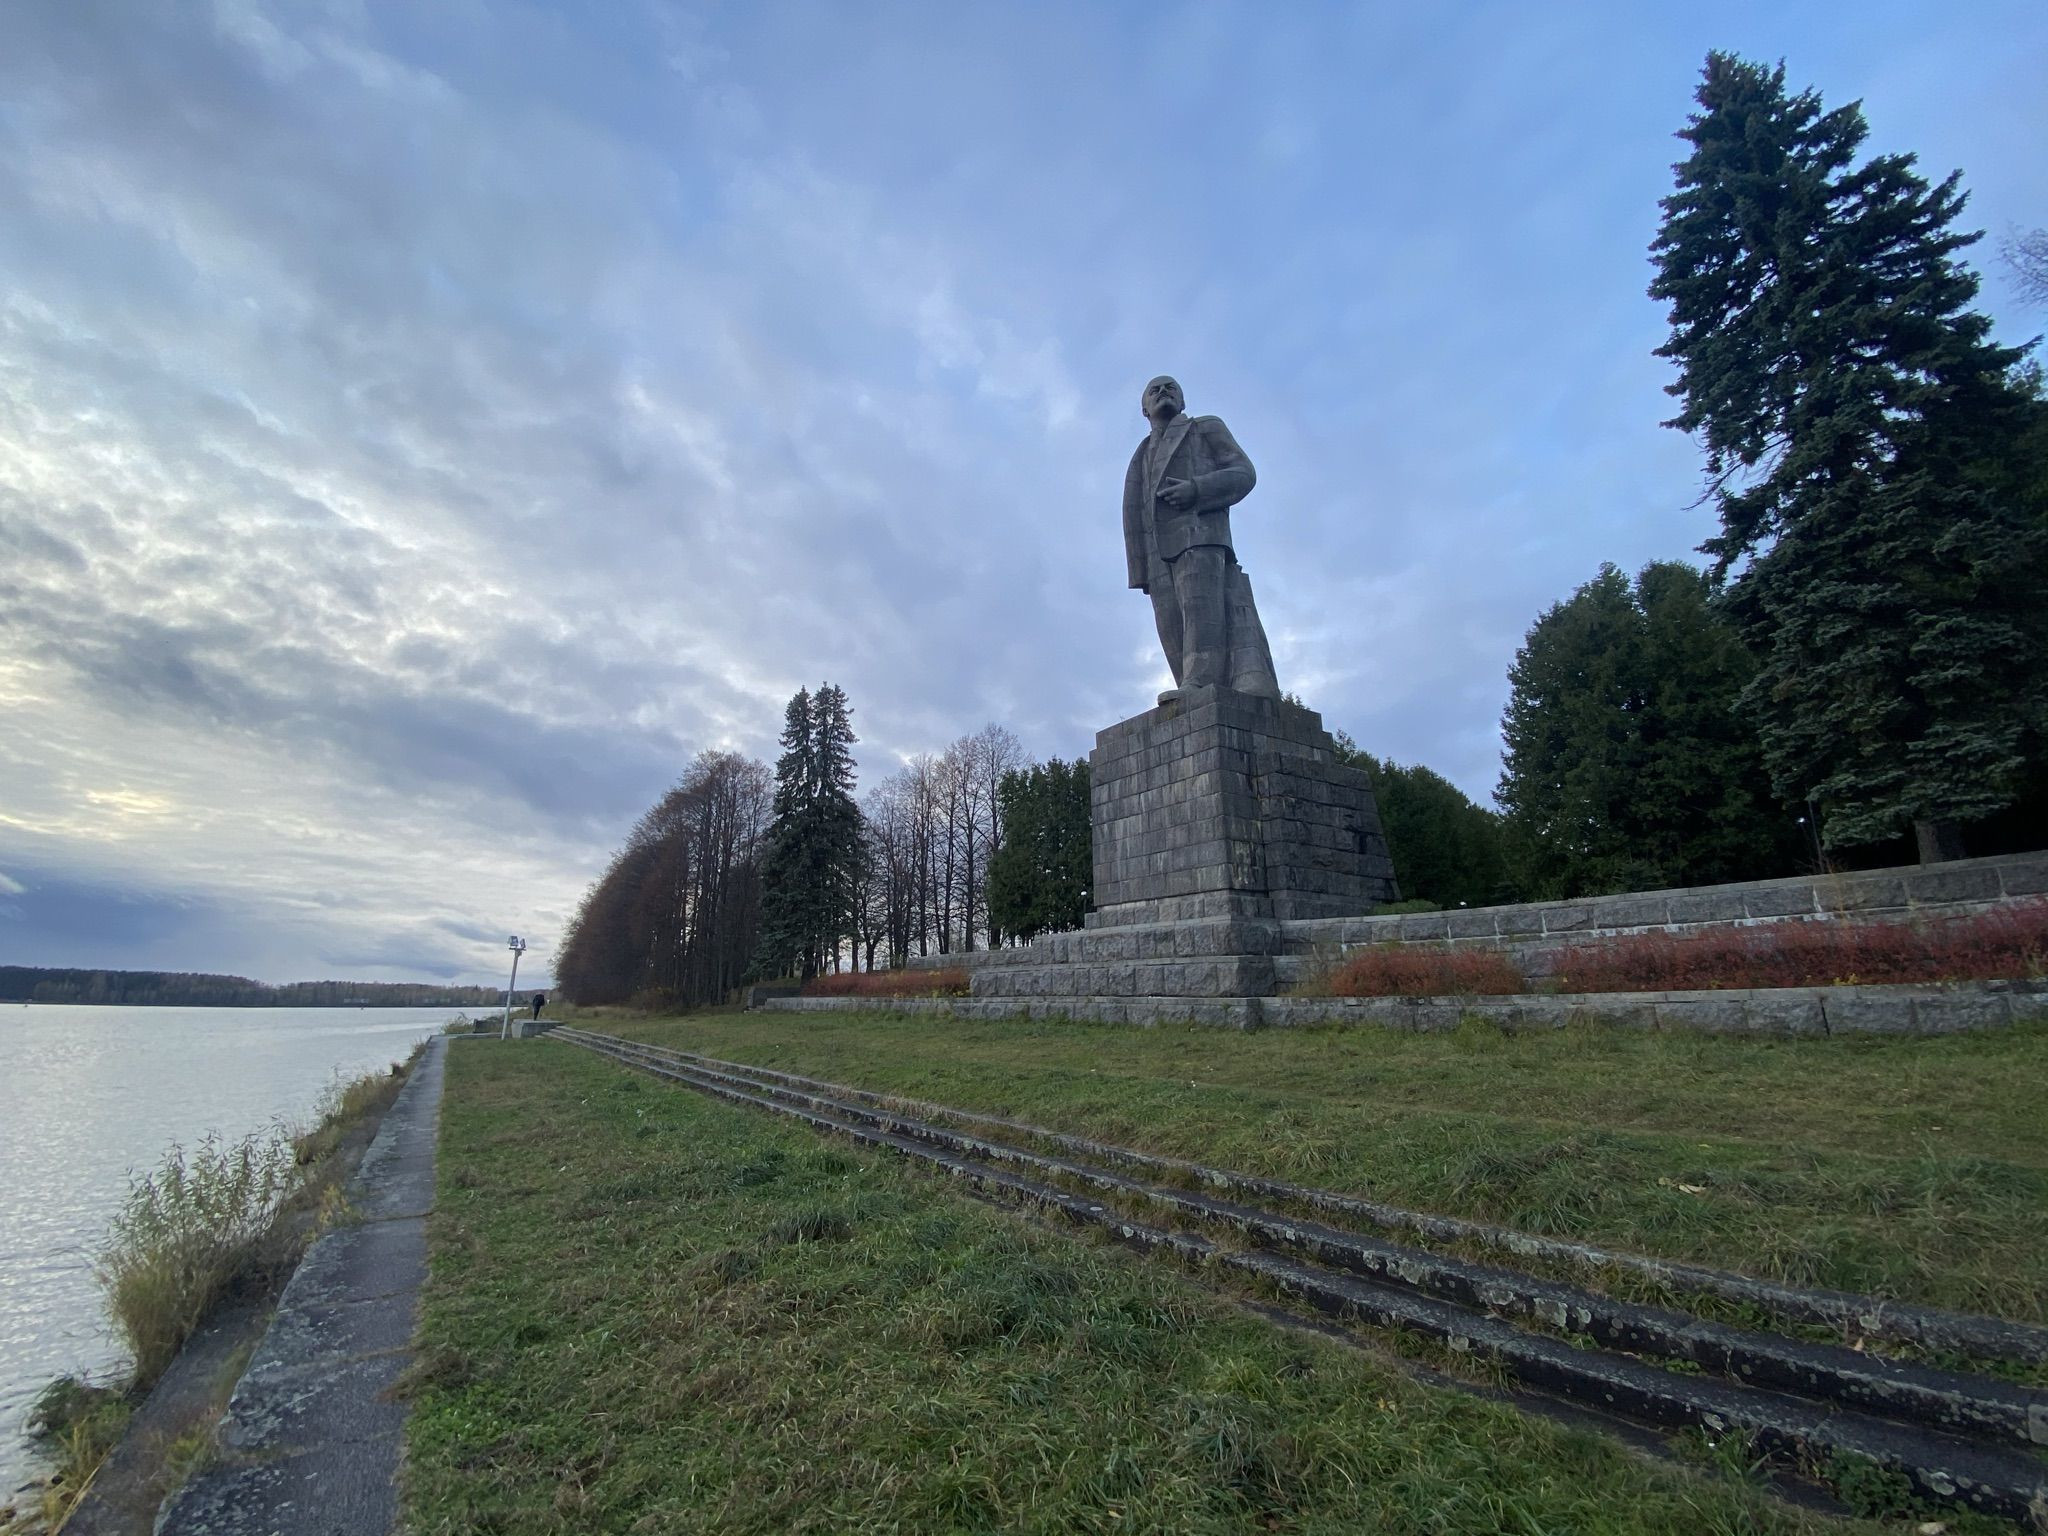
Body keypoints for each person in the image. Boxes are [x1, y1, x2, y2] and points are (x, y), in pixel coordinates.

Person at [1120, 375, 1280, 701]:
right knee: (1170, 627)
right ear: (1144, 409)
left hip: (1200, 533)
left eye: (1171, 388)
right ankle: (1189, 688)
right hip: (1154, 553)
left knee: (1200, 612)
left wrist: (1196, 489)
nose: (1164, 392)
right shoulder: (1140, 455)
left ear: (1182, 402)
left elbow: (1243, 473)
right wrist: (1139, 568)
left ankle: (1199, 685)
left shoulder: (1205, 427)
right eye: (1155, 390)